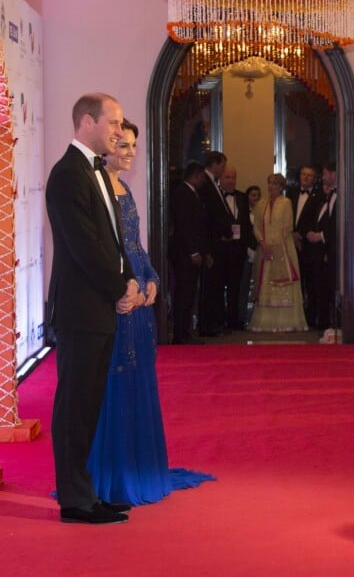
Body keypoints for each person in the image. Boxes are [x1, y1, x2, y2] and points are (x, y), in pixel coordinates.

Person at [88, 120, 215, 505]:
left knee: (139, 381)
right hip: (118, 301)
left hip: (139, 304)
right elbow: (100, 250)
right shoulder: (94, 188)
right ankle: (115, 475)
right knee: (115, 385)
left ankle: (140, 468)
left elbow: (135, 246)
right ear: (105, 144)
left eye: (133, 146)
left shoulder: (123, 188)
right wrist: (124, 287)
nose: (129, 152)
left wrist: (152, 281)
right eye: (122, 145)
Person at [46, 93, 141, 524]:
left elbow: (111, 242)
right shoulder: (67, 174)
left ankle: (85, 492)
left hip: (100, 306)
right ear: (87, 121)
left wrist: (130, 279)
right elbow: (83, 246)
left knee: (89, 404)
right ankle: (74, 500)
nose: (119, 132)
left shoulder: (99, 173)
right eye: (113, 123)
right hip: (82, 309)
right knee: (75, 406)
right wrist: (120, 285)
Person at [249, 174, 308, 332]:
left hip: (283, 248)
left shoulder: (286, 202)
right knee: (265, 281)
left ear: (281, 187)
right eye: (269, 183)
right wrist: (263, 243)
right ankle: (267, 322)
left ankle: (286, 322)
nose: (271, 186)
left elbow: (287, 226)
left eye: (275, 184)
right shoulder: (261, 203)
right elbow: (256, 227)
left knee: (284, 281)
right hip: (265, 248)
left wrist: (273, 246)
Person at [168, 161, 209, 344]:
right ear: (197, 175)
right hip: (184, 254)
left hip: (188, 252)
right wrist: (193, 252)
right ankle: (180, 333)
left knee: (189, 292)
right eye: (202, 177)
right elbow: (185, 225)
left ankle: (184, 331)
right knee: (184, 293)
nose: (203, 181)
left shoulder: (191, 193)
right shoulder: (183, 194)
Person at [217, 165, 253, 330]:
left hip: (238, 250)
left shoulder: (242, 197)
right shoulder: (215, 196)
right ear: (220, 178)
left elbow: (246, 224)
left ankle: (233, 320)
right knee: (218, 288)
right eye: (227, 177)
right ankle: (220, 321)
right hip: (221, 249)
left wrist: (250, 245)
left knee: (236, 287)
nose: (231, 181)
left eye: (233, 178)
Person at [197, 150, 228, 336]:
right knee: (210, 286)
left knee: (215, 285)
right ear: (215, 164)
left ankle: (213, 324)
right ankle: (207, 325)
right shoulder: (205, 183)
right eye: (222, 165)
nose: (223, 169)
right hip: (211, 244)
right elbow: (207, 217)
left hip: (217, 243)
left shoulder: (212, 183)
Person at [286, 165, 322, 327]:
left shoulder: (319, 196)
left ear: (315, 179)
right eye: (303, 174)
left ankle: (311, 317)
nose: (306, 177)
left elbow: (317, 220)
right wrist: (292, 233)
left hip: (310, 245)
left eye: (310, 175)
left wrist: (303, 235)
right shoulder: (291, 193)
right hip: (291, 243)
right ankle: (295, 316)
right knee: (294, 282)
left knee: (311, 282)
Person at [306, 161, 338, 330]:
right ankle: (323, 324)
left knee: (330, 288)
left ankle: (330, 324)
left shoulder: (340, 195)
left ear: (333, 174)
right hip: (323, 250)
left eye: (325, 174)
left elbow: (337, 225)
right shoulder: (329, 196)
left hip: (332, 248)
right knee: (322, 288)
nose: (323, 178)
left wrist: (321, 236)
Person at [238, 185, 262, 325]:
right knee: (244, 285)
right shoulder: (243, 212)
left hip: (260, 251)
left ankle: (257, 318)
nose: (256, 198)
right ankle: (242, 318)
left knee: (260, 286)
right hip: (247, 251)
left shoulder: (263, 212)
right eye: (253, 195)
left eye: (258, 195)